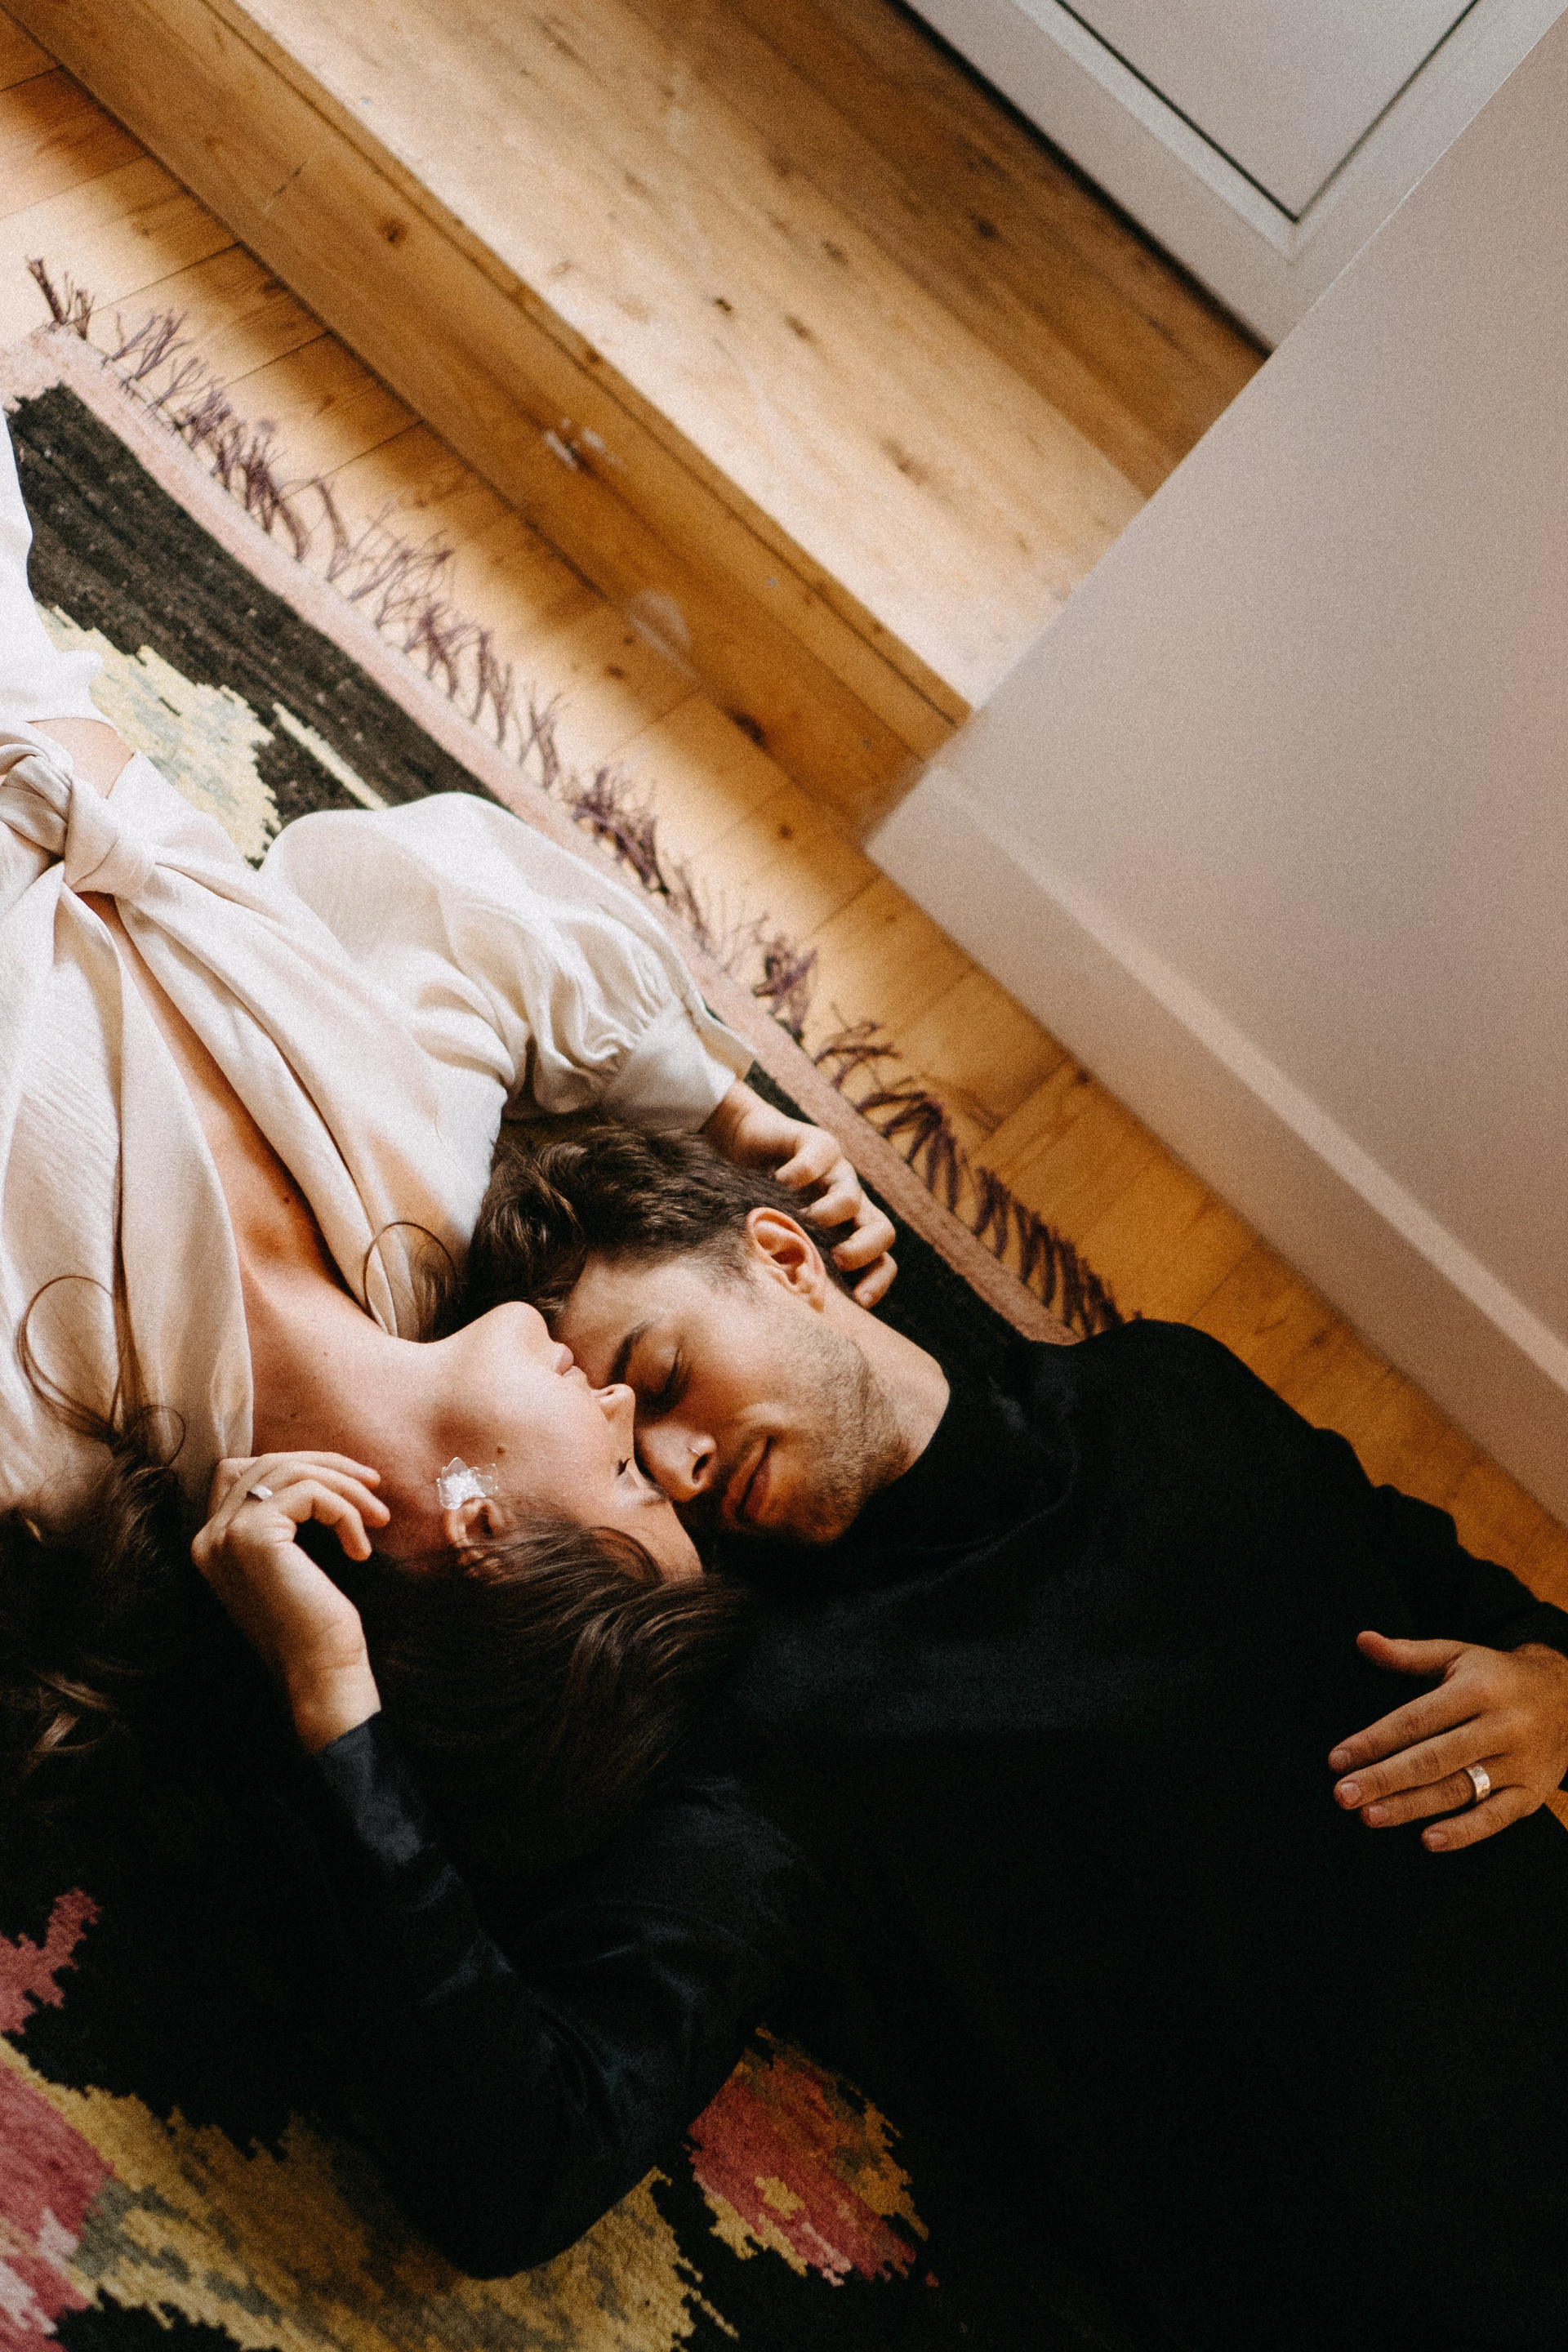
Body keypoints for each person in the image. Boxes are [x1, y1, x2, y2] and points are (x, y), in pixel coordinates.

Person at [198, 1123, 1568, 2350]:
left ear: (784, 1256)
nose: (670, 1464)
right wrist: (331, 1696)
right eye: (627, 1453)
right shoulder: (782, 1737)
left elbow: (1426, 1564)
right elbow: (522, 2163)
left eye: (663, 1374)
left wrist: (1555, 1686)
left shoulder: (1167, 1385)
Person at [0, 403, 893, 1789]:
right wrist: (723, 1110)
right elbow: (447, 904)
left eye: (625, 1480)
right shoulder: (423, 1206)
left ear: (479, 1532)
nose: (623, 1413)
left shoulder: (53, 1453)